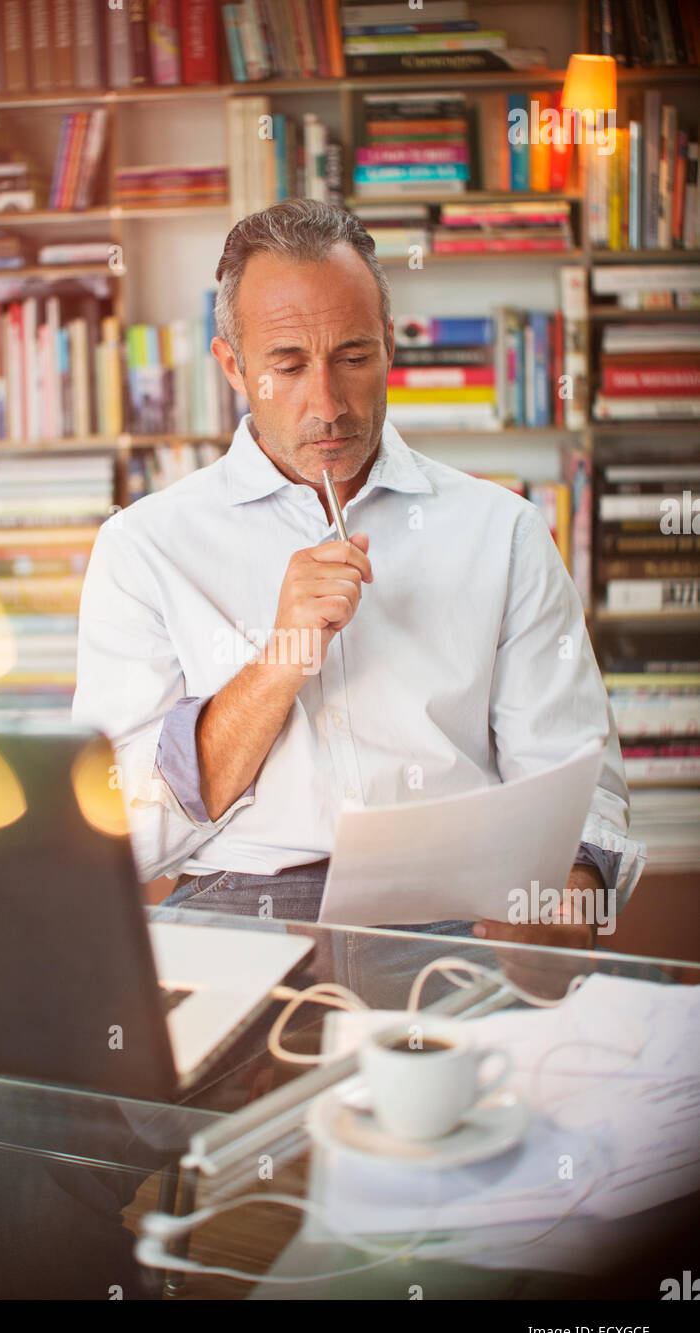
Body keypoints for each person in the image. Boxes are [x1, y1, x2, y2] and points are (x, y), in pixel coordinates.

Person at [73, 198, 645, 948]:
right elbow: (121, 835)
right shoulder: (141, 546)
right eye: (287, 365)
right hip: (235, 913)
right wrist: (279, 663)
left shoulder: (502, 532)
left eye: (353, 356)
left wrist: (568, 898)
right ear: (233, 367)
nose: (330, 404)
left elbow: (582, 788)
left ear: (390, 347)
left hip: (458, 915)